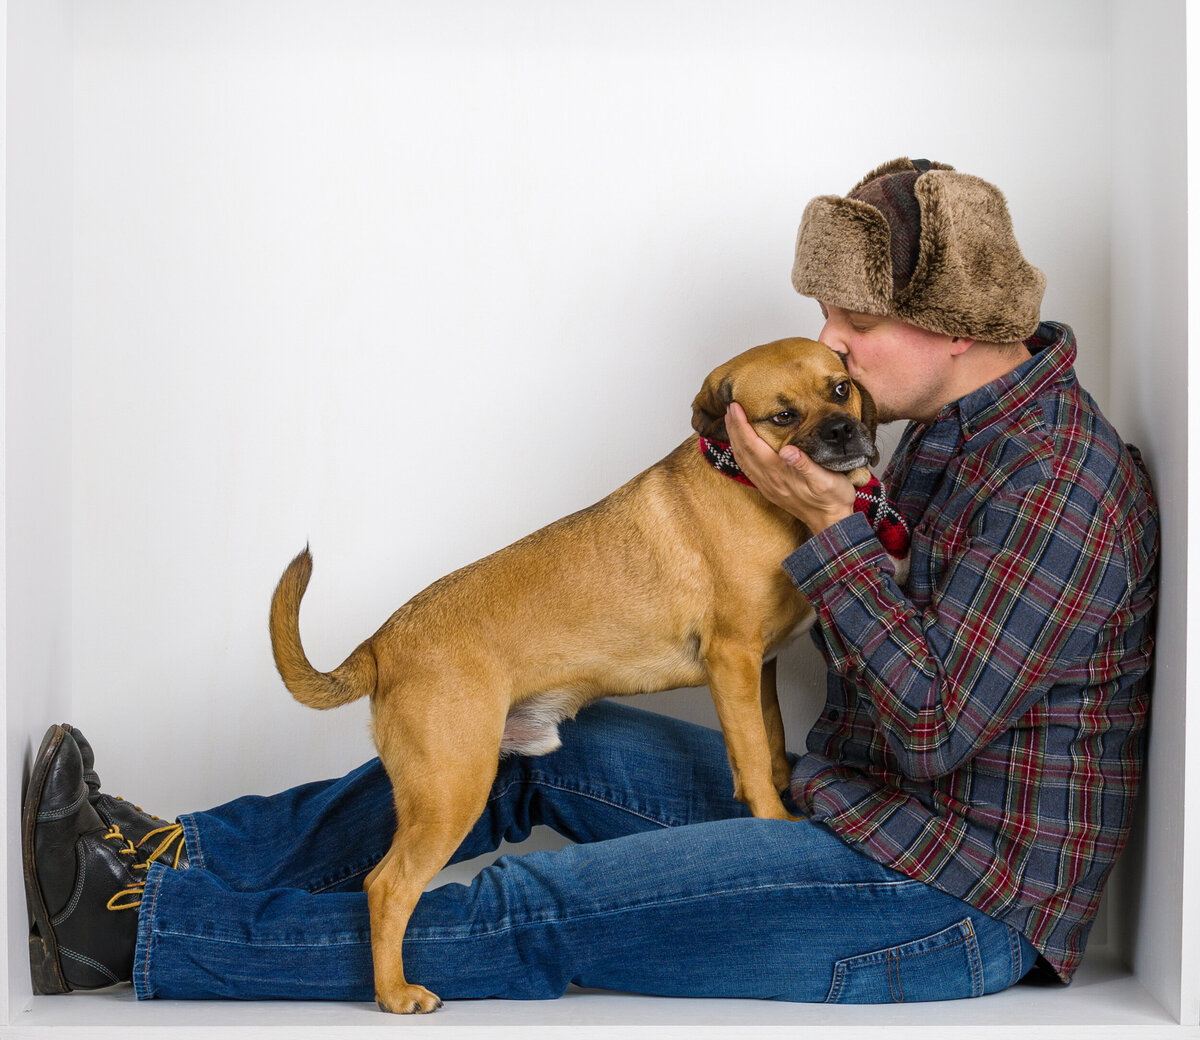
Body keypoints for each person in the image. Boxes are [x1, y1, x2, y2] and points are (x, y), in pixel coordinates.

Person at [23, 156, 1158, 1008]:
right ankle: (175, 855)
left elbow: (934, 723)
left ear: (954, 327)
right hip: (844, 809)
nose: (832, 348)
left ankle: (145, 932)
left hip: (944, 898)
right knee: (527, 767)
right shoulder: (939, 432)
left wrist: (826, 531)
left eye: (854, 322)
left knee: (535, 907)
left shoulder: (1059, 478)